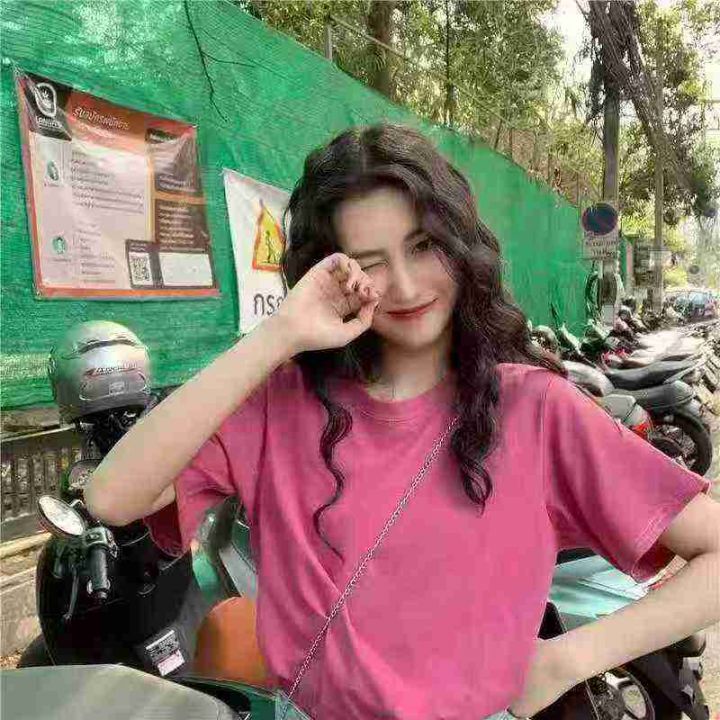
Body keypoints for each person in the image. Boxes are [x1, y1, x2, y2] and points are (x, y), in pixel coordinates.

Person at [85, 124, 720, 720]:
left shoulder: (535, 410)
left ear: (460, 245)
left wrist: (568, 658)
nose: (408, 286)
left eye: (423, 246)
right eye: (371, 262)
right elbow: (113, 497)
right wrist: (279, 334)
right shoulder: (278, 404)